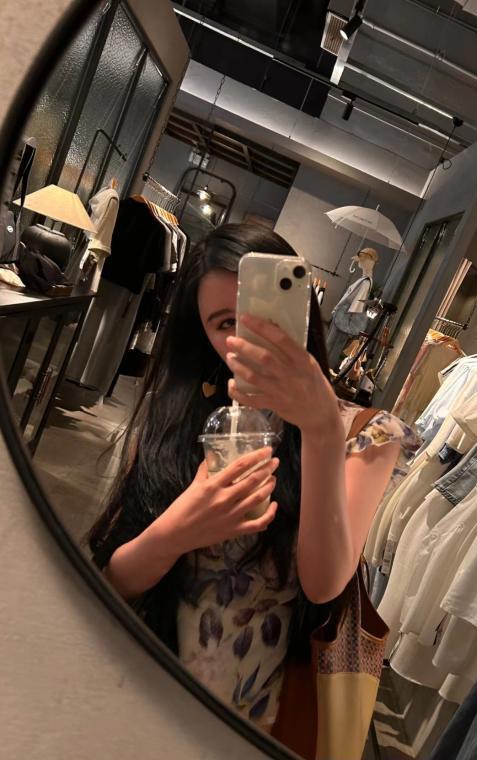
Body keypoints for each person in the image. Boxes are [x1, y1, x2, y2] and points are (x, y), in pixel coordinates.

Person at [88, 223, 420, 734]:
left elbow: (324, 584)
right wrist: (176, 532)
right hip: (136, 696)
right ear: (202, 333)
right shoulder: (175, 414)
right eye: (225, 322)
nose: (245, 337)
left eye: (260, 315)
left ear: (300, 311)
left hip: (251, 725)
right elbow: (113, 582)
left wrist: (321, 431)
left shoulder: (366, 434)